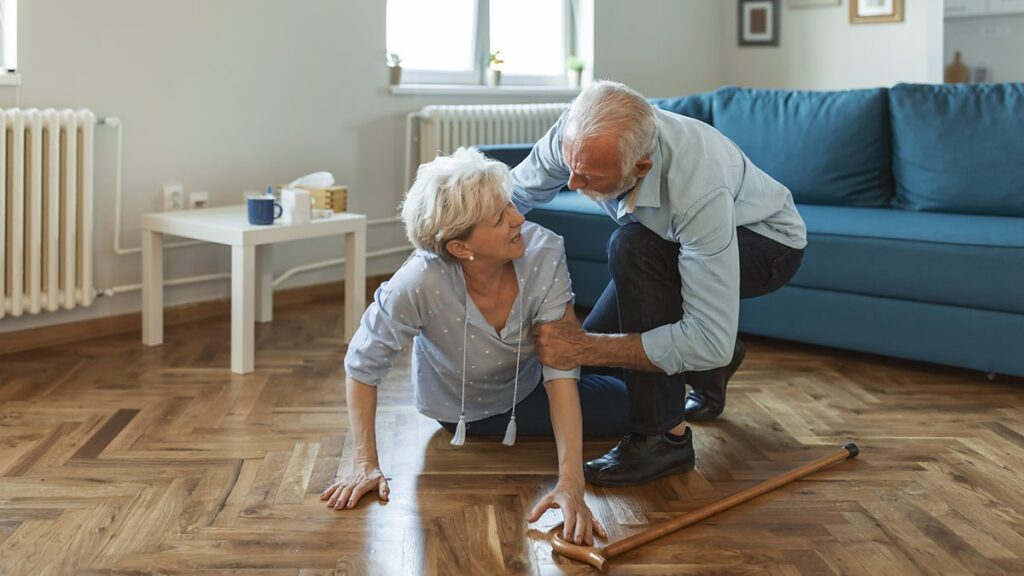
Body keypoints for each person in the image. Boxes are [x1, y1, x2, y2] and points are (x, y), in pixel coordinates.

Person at [321, 147, 629, 545]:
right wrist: (365, 463)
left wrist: (571, 483)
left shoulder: (543, 250)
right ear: (460, 247)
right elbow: (362, 365)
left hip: (535, 373)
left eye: (510, 206)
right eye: (501, 218)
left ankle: (695, 366)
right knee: (634, 404)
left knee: (631, 264)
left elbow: (561, 362)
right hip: (474, 412)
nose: (519, 218)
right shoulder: (417, 283)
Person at [512, 80, 807, 486]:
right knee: (604, 353)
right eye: (571, 169)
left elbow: (708, 338)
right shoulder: (577, 135)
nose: (573, 185)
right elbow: (510, 197)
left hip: (766, 243)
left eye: (590, 177)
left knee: (632, 247)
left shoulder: (696, 189)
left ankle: (663, 439)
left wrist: (583, 346)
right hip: (672, 238)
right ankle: (710, 374)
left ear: (641, 168)